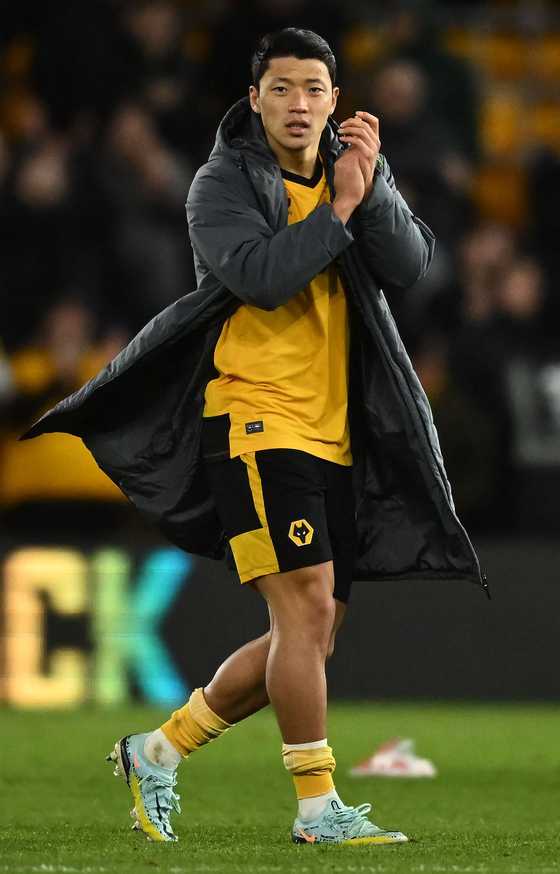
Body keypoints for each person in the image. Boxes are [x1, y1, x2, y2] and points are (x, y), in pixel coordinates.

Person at [23, 29, 484, 845]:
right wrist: (341, 206)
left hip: (336, 431)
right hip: (256, 418)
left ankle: (157, 750)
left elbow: (413, 267)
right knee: (305, 608)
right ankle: (317, 808)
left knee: (310, 633)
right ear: (256, 98)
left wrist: (368, 190)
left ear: (335, 100)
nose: (299, 103)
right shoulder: (220, 184)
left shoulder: (352, 170)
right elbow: (264, 280)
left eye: (314, 88)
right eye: (282, 88)